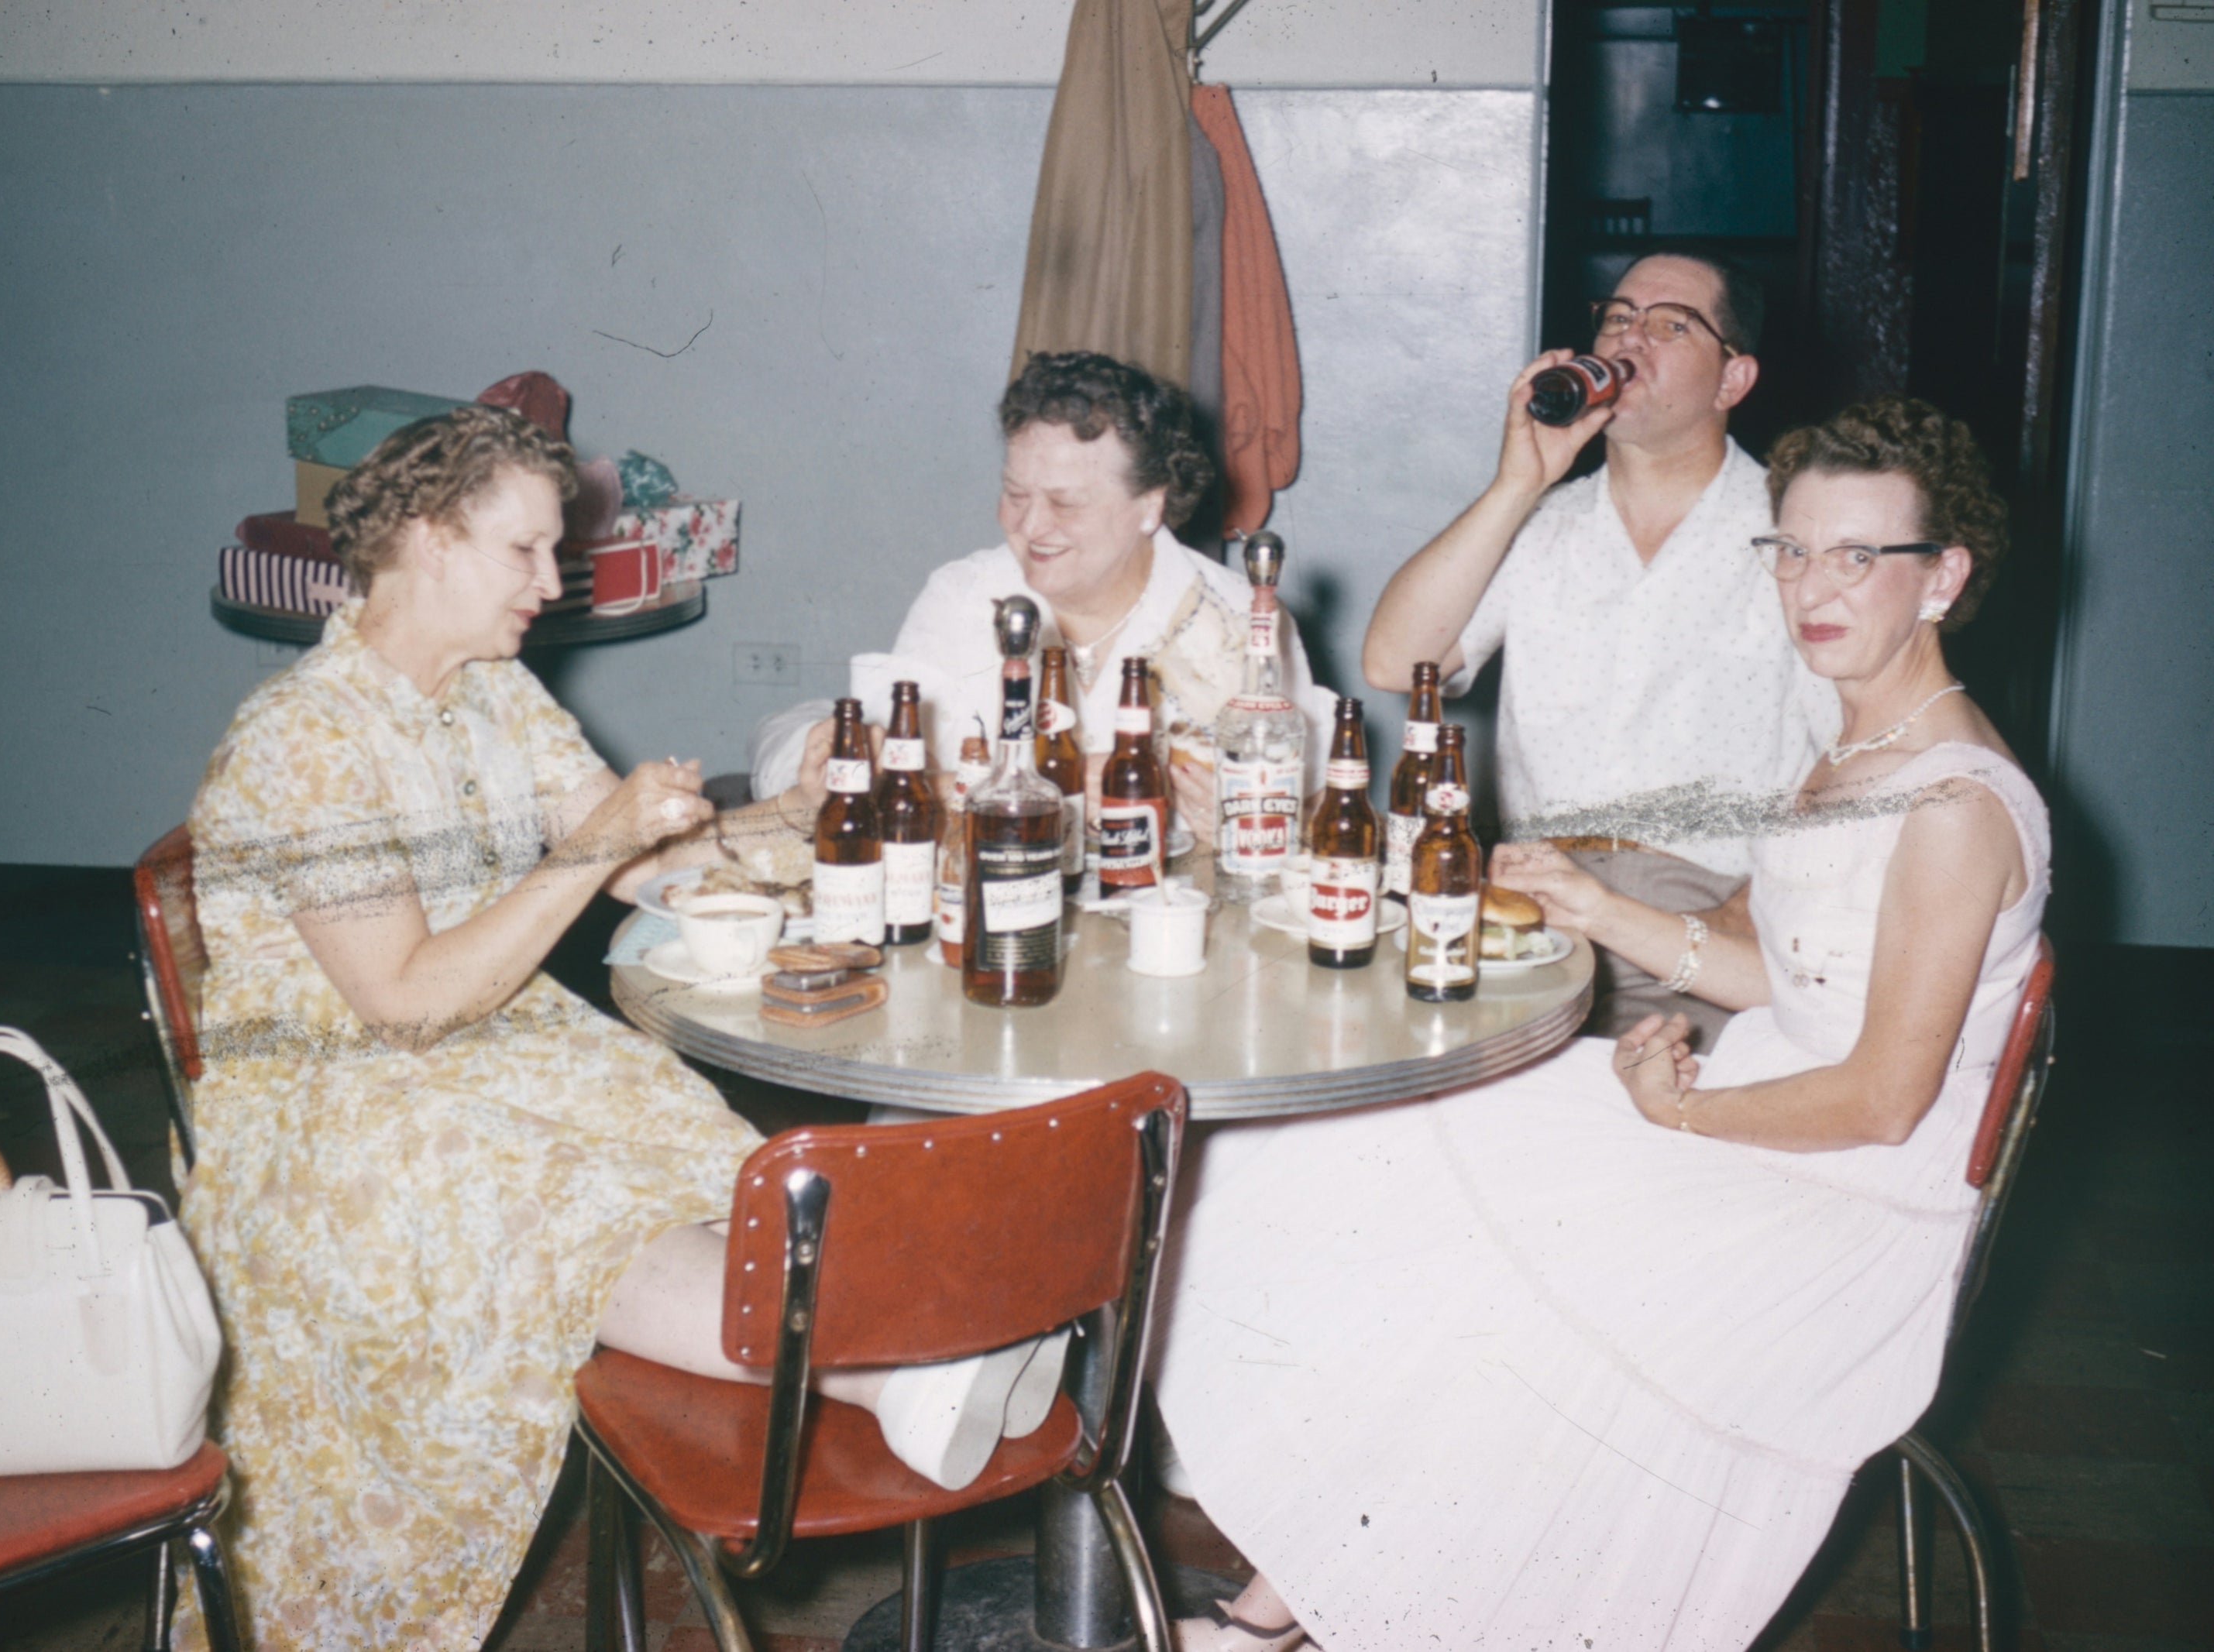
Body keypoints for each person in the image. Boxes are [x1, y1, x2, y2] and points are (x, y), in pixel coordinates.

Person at [1153, 397, 2044, 1651]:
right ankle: (1303, 1598)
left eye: (1859, 557)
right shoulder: (1864, 745)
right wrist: (1594, 906)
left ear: (1943, 573)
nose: (1812, 588)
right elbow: (1792, 978)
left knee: (1454, 1246)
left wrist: (1684, 1107)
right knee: (1343, 1136)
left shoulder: (1954, 802)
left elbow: (1885, 1094)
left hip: (1845, 1209)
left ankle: (1288, 1617)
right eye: (1790, 550)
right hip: (1765, 1128)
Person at [178, 407, 1062, 1651]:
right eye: (527, 553)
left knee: (686, 1144)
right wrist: (596, 849)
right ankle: (896, 1364)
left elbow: (654, 867)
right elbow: (405, 998)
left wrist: (811, 810)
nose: (555, 584)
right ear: (429, 543)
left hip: (492, 1043)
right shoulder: (303, 738)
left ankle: (897, 1349)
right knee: (561, 1196)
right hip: (339, 1098)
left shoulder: (491, 691)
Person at [1361, 251, 1837, 1045]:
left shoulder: (1794, 536)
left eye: (1669, 325)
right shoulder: (1545, 522)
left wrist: (1753, 903)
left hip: (1701, 904)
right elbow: (1392, 662)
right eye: (1617, 317)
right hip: (1532, 907)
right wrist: (1518, 483)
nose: (1629, 340)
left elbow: (1855, 750)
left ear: (1732, 381)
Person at [749, 352, 1338, 840]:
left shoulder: (1240, 619)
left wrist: (1256, 824)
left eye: (1065, 503)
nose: (1030, 527)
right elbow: (859, 763)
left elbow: (1319, 802)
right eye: (1015, 493)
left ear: (1151, 504)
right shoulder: (964, 597)